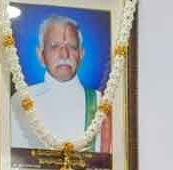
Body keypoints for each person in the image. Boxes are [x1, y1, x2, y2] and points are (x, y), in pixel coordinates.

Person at [9, 15, 111, 153]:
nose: (64, 54)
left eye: (72, 47)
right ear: (41, 55)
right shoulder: (20, 101)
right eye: (54, 46)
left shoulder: (99, 102)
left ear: (81, 55)